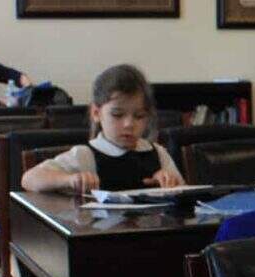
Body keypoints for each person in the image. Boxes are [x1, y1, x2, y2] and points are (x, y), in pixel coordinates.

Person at [20, 64, 183, 193]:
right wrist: (69, 179)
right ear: (97, 113)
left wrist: (170, 182)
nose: (129, 124)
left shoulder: (158, 154)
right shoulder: (85, 155)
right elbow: (29, 179)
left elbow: (184, 192)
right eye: (117, 115)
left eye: (139, 116)